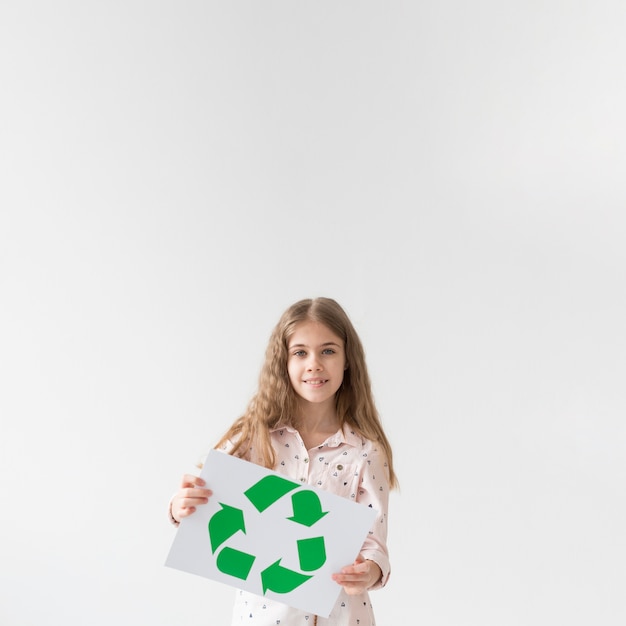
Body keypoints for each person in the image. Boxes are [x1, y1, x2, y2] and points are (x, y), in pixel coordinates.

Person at [169, 297, 398, 626]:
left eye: (329, 350)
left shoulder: (365, 451)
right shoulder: (255, 437)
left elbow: (374, 541)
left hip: (340, 616)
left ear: (348, 360)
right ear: (284, 362)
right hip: (261, 616)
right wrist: (180, 507)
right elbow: (207, 497)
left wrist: (371, 569)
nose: (314, 364)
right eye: (301, 352)